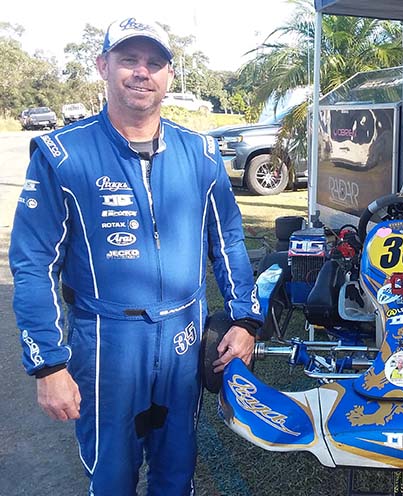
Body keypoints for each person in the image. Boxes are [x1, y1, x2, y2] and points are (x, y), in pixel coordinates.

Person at [9, 17, 263, 495]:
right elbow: (33, 264)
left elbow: (228, 240)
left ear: (169, 75)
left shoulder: (201, 153)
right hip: (107, 343)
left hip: (184, 336)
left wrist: (245, 320)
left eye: (154, 63)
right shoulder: (62, 154)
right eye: (129, 60)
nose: (142, 72)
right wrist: (49, 365)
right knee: (111, 477)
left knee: (177, 473)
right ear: (103, 66)